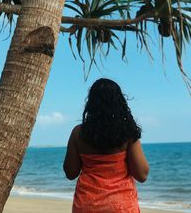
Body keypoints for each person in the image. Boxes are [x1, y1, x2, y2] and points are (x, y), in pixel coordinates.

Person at [63, 78, 149, 213]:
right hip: (121, 206)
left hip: (87, 205)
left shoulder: (78, 132)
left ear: (91, 103)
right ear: (120, 102)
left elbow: (70, 173)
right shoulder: (127, 132)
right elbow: (142, 175)